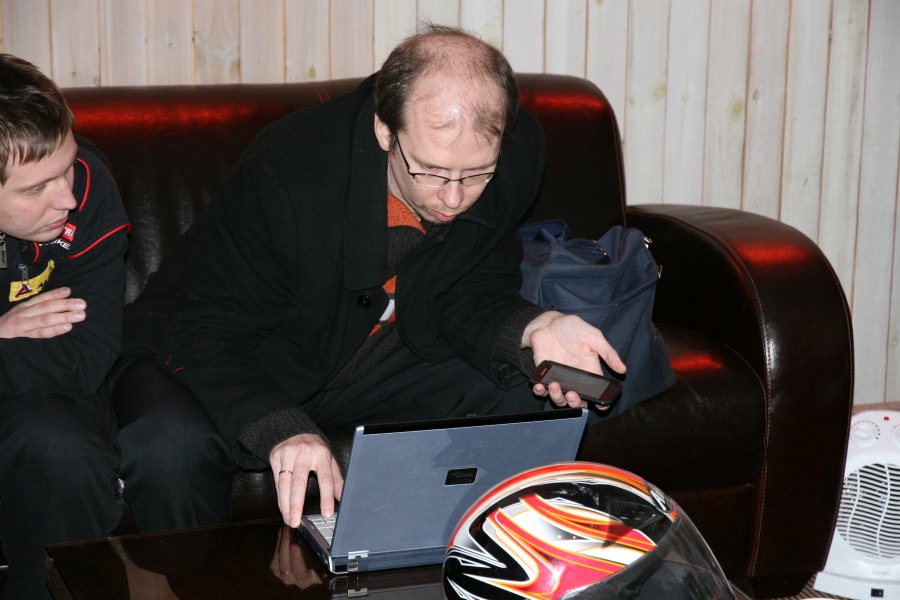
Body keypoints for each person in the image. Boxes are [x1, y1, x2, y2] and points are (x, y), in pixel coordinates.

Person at [113, 24, 626, 536]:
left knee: (523, 393)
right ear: (385, 130)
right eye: (430, 171)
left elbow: (469, 287)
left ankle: (466, 562)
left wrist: (536, 327)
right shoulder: (289, 176)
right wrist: (280, 426)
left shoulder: (517, 151)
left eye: (475, 175)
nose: (453, 198)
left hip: (369, 355)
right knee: (170, 448)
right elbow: (205, 329)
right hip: (220, 353)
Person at [0, 54, 130, 599]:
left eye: (66, 167)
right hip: (30, 379)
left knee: (61, 445)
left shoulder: (89, 186)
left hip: (47, 398)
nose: (67, 199)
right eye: (35, 189)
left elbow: (83, 359)